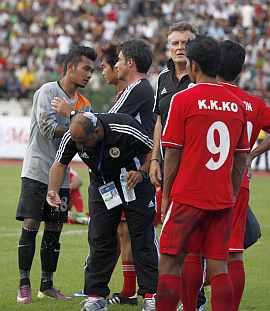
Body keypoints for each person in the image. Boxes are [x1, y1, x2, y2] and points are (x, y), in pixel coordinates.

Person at [156, 36, 249, 311]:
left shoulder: (183, 99)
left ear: (193, 65)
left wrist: (167, 197)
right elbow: (241, 157)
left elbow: (171, 153)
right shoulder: (236, 105)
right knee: (219, 266)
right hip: (220, 198)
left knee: (170, 260)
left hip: (187, 195)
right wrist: (231, 193)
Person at [46, 112, 158, 311]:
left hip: (134, 182)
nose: (81, 146)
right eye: (78, 142)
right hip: (103, 186)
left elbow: (153, 152)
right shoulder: (74, 136)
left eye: (84, 141)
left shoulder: (125, 127)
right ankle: (96, 296)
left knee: (142, 238)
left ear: (97, 131)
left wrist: (141, 172)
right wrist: (52, 190)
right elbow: (60, 163)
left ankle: (151, 295)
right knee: (99, 238)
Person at [15, 45, 97, 304]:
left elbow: (89, 140)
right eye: (85, 69)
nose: (89, 75)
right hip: (37, 170)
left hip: (61, 174)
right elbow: (49, 129)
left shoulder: (84, 103)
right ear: (71, 67)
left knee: (55, 228)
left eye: (92, 71)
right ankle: (24, 283)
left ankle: (46, 285)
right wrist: (78, 122)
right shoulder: (47, 92)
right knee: (31, 224)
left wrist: (75, 117)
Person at [149, 22, 207, 311]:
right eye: (175, 43)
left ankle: (195, 298)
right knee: (171, 238)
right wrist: (155, 159)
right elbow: (158, 121)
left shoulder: (202, 80)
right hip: (167, 167)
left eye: (185, 42)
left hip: (194, 170)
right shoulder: (163, 79)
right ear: (168, 48)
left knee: (193, 239)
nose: (180, 47)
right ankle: (182, 297)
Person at [217, 39, 270, 311]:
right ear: (241, 68)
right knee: (234, 253)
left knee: (194, 251)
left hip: (204, 179)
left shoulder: (207, 96)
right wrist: (251, 153)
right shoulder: (254, 103)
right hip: (239, 184)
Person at [104, 40, 156, 306]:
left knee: (140, 236)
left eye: (119, 60)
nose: (114, 65)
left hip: (133, 176)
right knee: (127, 234)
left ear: (130, 64)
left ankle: (150, 293)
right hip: (129, 174)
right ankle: (138, 292)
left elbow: (107, 124)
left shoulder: (138, 89)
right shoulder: (138, 89)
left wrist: (75, 115)